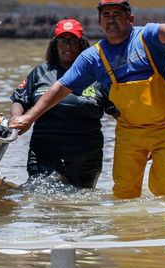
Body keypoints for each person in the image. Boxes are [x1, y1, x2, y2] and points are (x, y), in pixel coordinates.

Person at [10, 0, 165, 200]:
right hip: (130, 131)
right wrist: (28, 118)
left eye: (117, 14)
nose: (111, 19)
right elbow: (60, 87)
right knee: (124, 194)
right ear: (99, 22)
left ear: (130, 19)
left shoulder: (145, 36)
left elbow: (164, 29)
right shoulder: (92, 57)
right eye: (106, 15)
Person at [10, 19, 112, 189]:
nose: (68, 45)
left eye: (73, 40)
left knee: (80, 208)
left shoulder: (97, 76)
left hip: (86, 159)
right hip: (44, 154)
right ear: (55, 45)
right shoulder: (40, 73)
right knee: (42, 201)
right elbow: (19, 100)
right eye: (63, 40)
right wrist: (16, 118)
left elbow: (120, 112)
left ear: (81, 45)